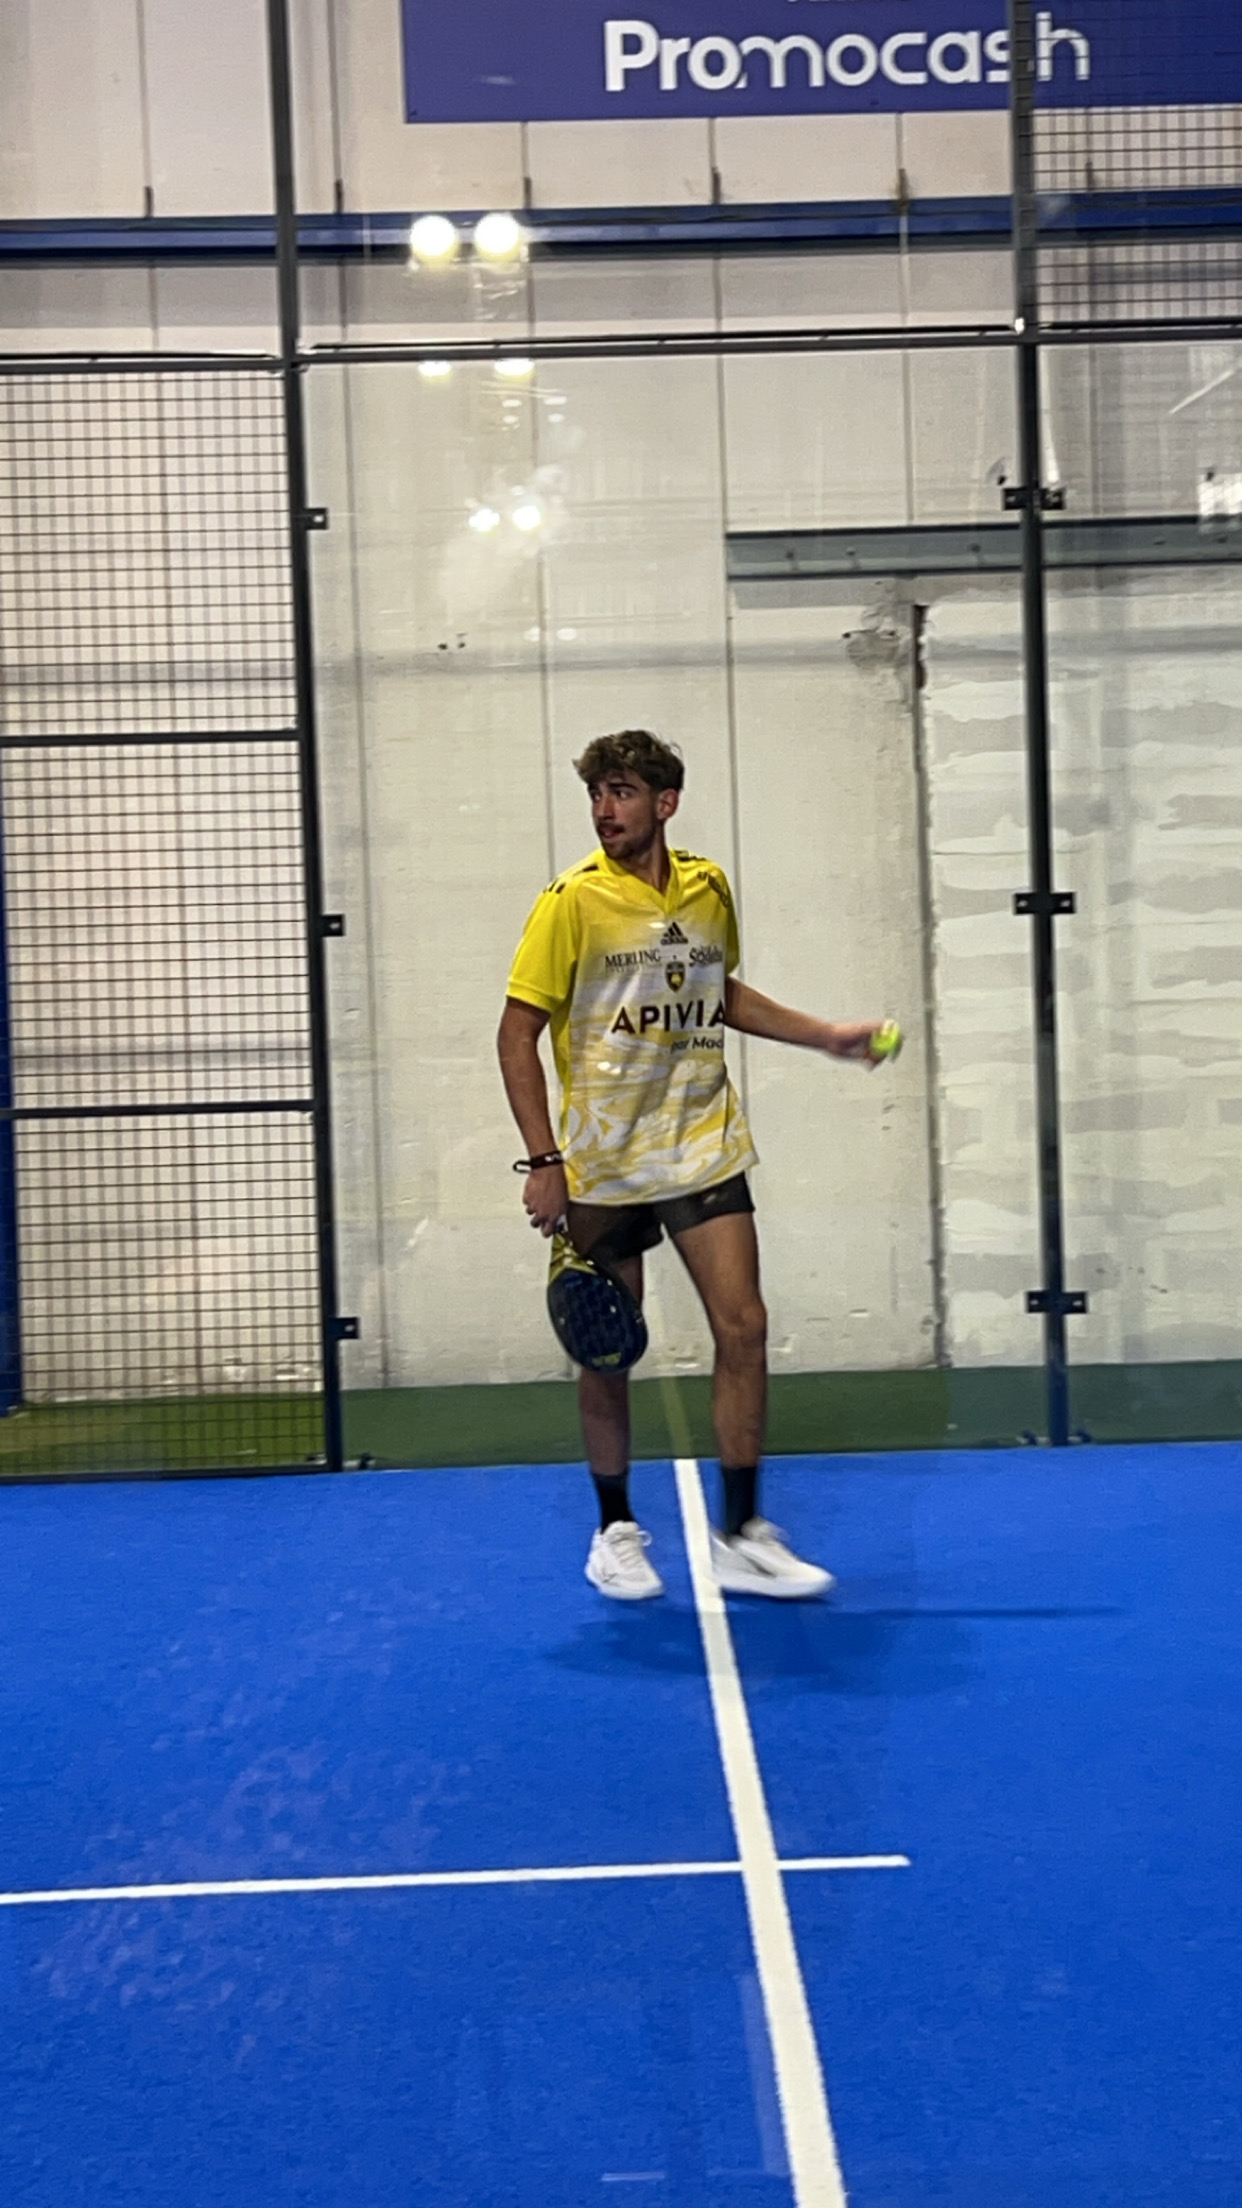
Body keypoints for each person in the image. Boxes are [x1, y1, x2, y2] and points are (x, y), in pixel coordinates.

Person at [497, 729, 891, 1603]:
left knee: (744, 1327)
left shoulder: (708, 887)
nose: (605, 809)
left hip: (702, 1144)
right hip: (604, 1162)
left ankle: (741, 1535)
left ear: (665, 802)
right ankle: (614, 1531)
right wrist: (543, 1159)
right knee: (606, 1348)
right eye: (597, 793)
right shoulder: (569, 903)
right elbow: (515, 1034)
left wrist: (825, 1035)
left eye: (623, 792)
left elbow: (717, 992)